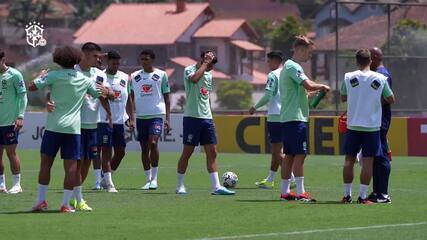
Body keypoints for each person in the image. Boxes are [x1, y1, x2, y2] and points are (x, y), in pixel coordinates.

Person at [29, 46, 110, 213]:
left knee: (46, 165)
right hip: (73, 129)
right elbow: (100, 94)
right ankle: (65, 204)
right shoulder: (84, 79)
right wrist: (108, 92)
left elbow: (31, 87)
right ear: (77, 59)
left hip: (53, 127)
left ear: (58, 59)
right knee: (72, 167)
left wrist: (40, 77)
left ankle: (41, 201)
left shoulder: (53, 76)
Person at [176, 51, 235, 195]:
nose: (211, 67)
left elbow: (206, 95)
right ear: (202, 60)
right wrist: (205, 64)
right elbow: (195, 79)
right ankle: (180, 185)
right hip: (192, 118)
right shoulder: (189, 70)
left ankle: (216, 187)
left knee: (212, 152)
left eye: (213, 64)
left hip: (207, 119)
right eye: (210, 64)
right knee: (187, 152)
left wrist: (210, 115)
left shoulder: (209, 74)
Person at [340, 49, 395, 204]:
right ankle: (363, 197)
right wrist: (374, 101)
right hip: (371, 127)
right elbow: (391, 98)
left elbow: (343, 97)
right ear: (370, 61)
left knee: (349, 160)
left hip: (353, 125)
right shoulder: (380, 78)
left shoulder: (348, 77)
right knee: (368, 161)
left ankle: (347, 195)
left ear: (356, 61)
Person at [279, 36, 330, 202]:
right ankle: (301, 192)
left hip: (290, 117)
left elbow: (299, 90)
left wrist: (307, 95)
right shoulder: (293, 66)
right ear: (300, 50)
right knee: (300, 154)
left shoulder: (289, 66)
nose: (310, 56)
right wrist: (322, 86)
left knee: (290, 155)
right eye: (309, 52)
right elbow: (307, 83)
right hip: (295, 118)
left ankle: (285, 191)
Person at [249, 51, 295, 189]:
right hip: (287, 116)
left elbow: (268, 95)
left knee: (276, 152)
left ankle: (291, 177)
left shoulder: (273, 75)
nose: (267, 64)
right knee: (278, 151)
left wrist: (255, 107)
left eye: (268, 61)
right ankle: (270, 179)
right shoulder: (287, 73)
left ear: (275, 61)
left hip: (275, 117)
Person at [130, 49, 170, 190]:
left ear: (152, 60)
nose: (144, 61)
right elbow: (130, 98)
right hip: (141, 116)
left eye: (146, 59)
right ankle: (148, 180)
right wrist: (131, 117)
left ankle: (155, 179)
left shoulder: (161, 75)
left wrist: (168, 118)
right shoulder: (134, 76)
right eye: (142, 59)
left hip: (157, 115)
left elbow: (167, 97)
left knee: (153, 143)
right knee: (144, 148)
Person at [98, 50, 134, 192]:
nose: (116, 66)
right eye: (113, 63)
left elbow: (129, 99)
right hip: (104, 120)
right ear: (108, 62)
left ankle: (105, 178)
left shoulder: (125, 77)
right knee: (106, 151)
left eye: (118, 63)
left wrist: (132, 118)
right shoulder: (100, 76)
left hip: (120, 121)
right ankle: (109, 184)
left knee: (120, 152)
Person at [367, 47, 393, 203]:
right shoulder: (376, 73)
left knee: (382, 155)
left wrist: (367, 104)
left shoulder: (382, 74)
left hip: (380, 120)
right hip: (374, 120)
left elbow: (387, 97)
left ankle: (383, 194)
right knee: (376, 157)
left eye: (369, 57)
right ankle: (377, 192)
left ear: (375, 57)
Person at [0, 50, 27, 194]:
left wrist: (20, 116)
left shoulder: (15, 75)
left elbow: (23, 96)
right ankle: (1, 184)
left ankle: (17, 184)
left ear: (3, 60)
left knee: (11, 152)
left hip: (10, 122)